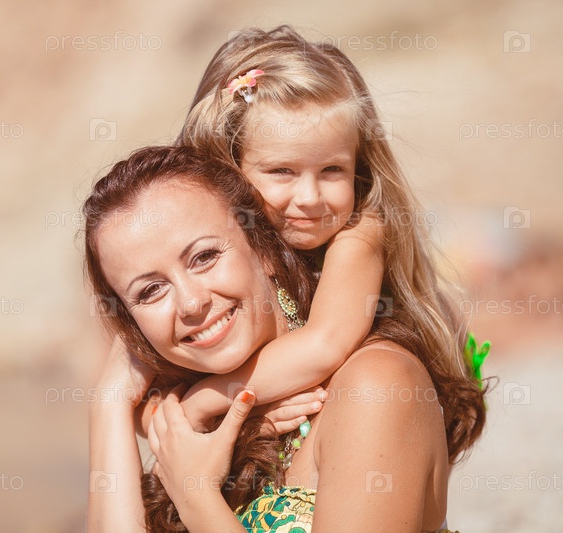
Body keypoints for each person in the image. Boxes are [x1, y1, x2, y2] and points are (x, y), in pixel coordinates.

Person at [84, 144, 486, 532]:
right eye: (150, 291)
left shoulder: (374, 385)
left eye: (204, 257)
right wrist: (109, 403)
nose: (190, 303)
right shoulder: (199, 430)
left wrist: (197, 498)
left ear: (264, 250)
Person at [166, 25, 491, 436]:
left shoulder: (360, 232)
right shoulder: (205, 252)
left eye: (332, 170)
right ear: (228, 166)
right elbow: (147, 398)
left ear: (358, 167)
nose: (310, 197)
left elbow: (324, 345)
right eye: (282, 171)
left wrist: (205, 403)